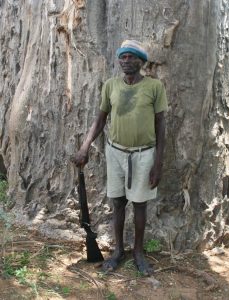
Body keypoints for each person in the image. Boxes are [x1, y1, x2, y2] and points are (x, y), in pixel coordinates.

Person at [74, 40, 168, 276]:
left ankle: (138, 252)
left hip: (143, 154)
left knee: (139, 204)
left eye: (131, 57)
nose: (126, 61)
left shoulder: (154, 87)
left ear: (141, 61)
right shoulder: (110, 85)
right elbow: (101, 119)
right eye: (122, 57)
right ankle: (118, 251)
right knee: (117, 203)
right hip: (115, 152)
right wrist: (85, 147)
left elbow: (161, 124)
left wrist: (158, 163)